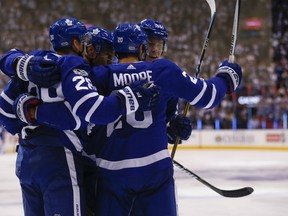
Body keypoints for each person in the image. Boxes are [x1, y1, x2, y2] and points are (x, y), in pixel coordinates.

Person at [21, 23, 242, 215]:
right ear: (141, 48)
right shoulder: (162, 70)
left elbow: (75, 114)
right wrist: (227, 77)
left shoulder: (99, 75)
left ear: (115, 50)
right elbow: (208, 96)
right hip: (154, 169)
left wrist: (30, 110)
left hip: (111, 174)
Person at [0, 18, 160, 216]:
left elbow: (6, 112)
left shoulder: (36, 61)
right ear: (80, 45)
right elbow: (82, 115)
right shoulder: (76, 67)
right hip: (63, 158)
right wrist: (128, 99)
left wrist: (26, 109)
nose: (111, 62)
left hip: (28, 156)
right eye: (107, 55)